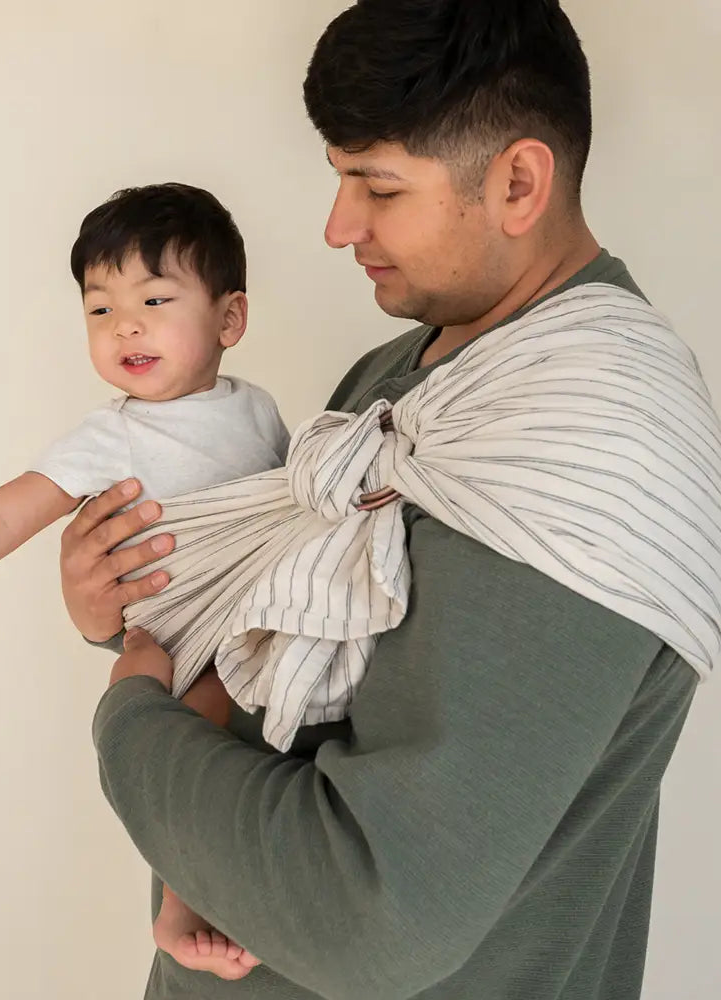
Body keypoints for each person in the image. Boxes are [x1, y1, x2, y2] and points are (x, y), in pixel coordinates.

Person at [74, 1, 719, 996]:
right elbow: (276, 659)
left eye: (376, 186)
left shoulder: (588, 438)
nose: (338, 228)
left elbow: (369, 910)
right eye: (340, 179)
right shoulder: (403, 376)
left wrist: (130, 722)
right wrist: (128, 612)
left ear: (517, 181)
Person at [0, 181, 289, 976]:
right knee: (192, 738)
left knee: (243, 751)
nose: (125, 325)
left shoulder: (261, 410)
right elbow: (1, 516)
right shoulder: (113, 437)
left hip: (264, 620)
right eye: (100, 309)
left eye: (155, 299)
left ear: (229, 319)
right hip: (181, 645)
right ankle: (178, 907)